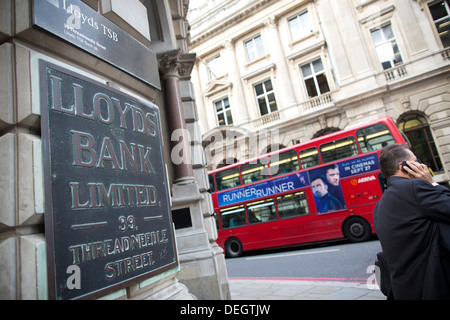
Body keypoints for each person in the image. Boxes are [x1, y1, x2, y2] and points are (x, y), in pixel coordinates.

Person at [373, 143, 450, 299]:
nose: (421, 164)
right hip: (433, 287)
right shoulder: (416, 187)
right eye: (416, 160)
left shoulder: (379, 206)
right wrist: (431, 183)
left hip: (404, 291)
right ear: (404, 166)